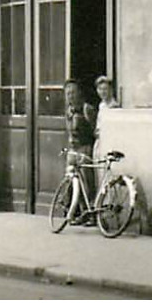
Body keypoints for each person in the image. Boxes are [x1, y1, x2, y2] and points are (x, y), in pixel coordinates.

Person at [63, 80, 97, 221]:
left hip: (84, 147)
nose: (70, 96)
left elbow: (95, 128)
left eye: (73, 92)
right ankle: (75, 210)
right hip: (73, 148)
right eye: (68, 93)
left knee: (86, 182)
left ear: (79, 93)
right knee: (71, 180)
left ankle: (90, 213)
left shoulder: (86, 109)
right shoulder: (69, 111)